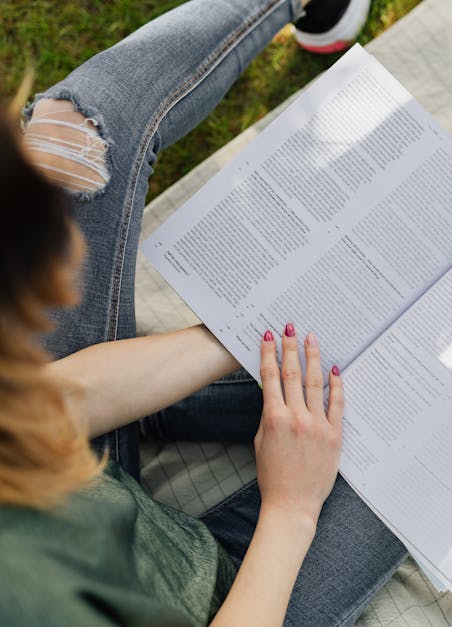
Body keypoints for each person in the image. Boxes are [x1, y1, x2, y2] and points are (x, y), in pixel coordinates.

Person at [0, 0, 407, 625]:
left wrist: (238, 327)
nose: (63, 293)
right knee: (422, 411)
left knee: (67, 140)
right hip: (236, 602)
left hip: (87, 488)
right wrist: (290, 508)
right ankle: (177, 414)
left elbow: (45, 404)